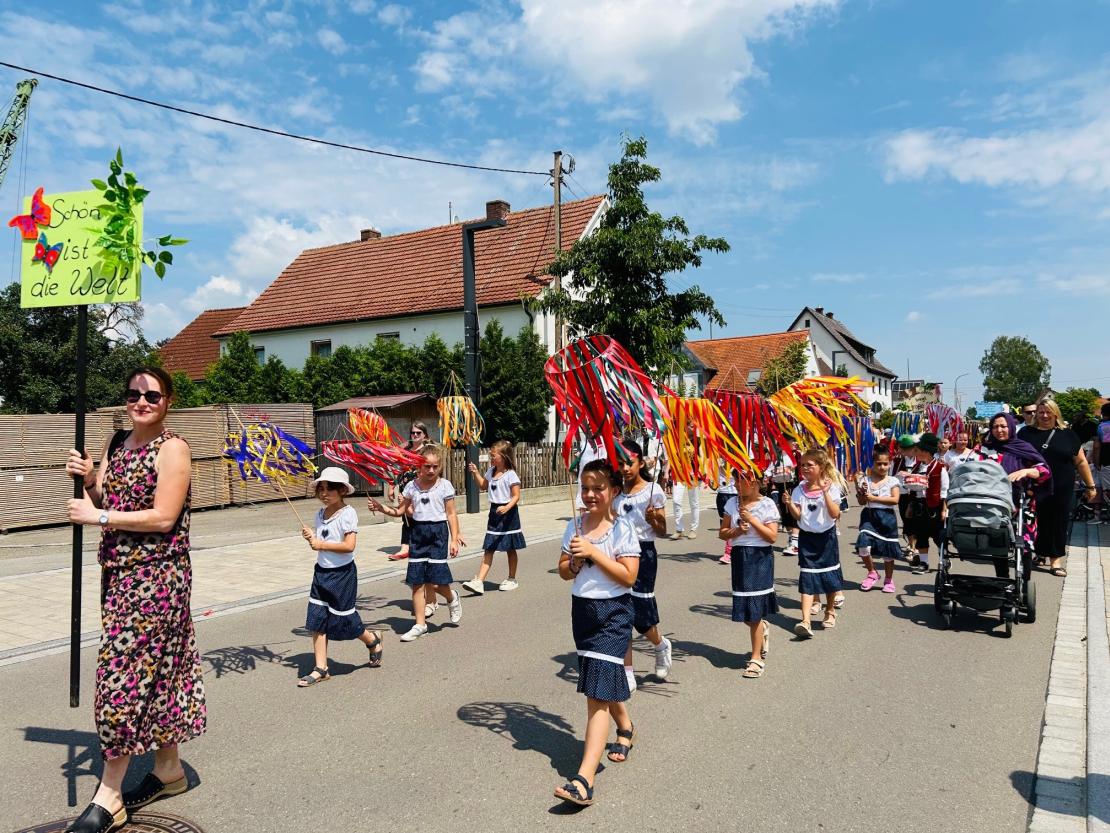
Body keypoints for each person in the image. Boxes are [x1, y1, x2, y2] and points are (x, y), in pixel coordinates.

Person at [63, 367, 206, 833]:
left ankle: (110, 795)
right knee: (160, 672)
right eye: (133, 394)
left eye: (152, 395)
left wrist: (98, 516)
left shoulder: (173, 448)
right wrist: (89, 481)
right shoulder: (116, 442)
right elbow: (107, 497)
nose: (141, 402)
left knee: (120, 678)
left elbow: (164, 517)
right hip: (120, 574)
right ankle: (169, 769)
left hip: (158, 577)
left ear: (168, 400)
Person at [553, 458, 640, 807]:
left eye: (598, 488)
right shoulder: (573, 526)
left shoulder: (623, 529)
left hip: (614, 614)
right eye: (585, 488)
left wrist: (594, 553)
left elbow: (629, 576)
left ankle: (585, 778)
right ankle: (626, 726)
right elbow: (563, 571)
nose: (590, 494)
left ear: (614, 490)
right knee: (599, 680)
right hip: (583, 614)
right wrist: (574, 562)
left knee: (596, 694)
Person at [297, 467, 384, 686]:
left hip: (342, 575)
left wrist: (319, 544)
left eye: (330, 489)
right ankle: (321, 668)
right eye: (321, 489)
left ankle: (372, 639)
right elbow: (321, 542)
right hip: (321, 573)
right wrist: (311, 537)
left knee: (344, 620)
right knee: (317, 619)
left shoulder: (348, 514)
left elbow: (348, 546)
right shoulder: (319, 514)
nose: (324, 493)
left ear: (342, 490)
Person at [368, 445, 464, 642]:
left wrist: (454, 539)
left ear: (440, 467)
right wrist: (381, 508)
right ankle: (420, 625)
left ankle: (452, 597)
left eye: (435, 467)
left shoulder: (445, 486)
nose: (431, 470)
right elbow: (399, 511)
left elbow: (451, 514)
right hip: (418, 534)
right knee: (417, 582)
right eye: (427, 466)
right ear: (419, 466)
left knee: (436, 581)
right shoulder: (411, 487)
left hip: (438, 534)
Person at [613, 440, 672, 684]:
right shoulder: (615, 491)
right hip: (618, 555)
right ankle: (627, 673)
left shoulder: (652, 491)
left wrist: (653, 519)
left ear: (640, 463)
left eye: (630, 463)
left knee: (641, 616)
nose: (625, 468)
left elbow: (662, 531)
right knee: (621, 613)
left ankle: (660, 645)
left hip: (643, 553)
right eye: (621, 464)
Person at [1022, 399, 1097, 577]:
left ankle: (1055, 559)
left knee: (1057, 521)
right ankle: (1040, 552)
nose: (1044, 415)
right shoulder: (1025, 433)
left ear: (1056, 414)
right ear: (1036, 414)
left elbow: (1081, 462)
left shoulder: (1068, 434)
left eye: (1048, 412)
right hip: (1034, 485)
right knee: (1036, 519)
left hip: (1061, 485)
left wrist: (1090, 486)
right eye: (1041, 412)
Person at [718, 472, 779, 678]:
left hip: (760, 558)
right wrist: (737, 531)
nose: (736, 485)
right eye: (735, 481)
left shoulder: (767, 504)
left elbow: (772, 537)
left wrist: (752, 520)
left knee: (754, 612)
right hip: (739, 558)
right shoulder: (732, 503)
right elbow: (722, 532)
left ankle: (756, 658)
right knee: (746, 611)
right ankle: (762, 628)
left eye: (741, 481)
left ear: (754, 483)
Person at [782, 448, 843, 638]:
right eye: (802, 465)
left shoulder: (832, 487)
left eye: (810, 465)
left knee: (829, 576)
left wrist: (825, 492)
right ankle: (805, 620)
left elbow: (835, 514)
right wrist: (789, 503)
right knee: (807, 577)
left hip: (827, 538)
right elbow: (798, 516)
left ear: (821, 467)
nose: (805, 468)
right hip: (807, 539)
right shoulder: (799, 489)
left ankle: (830, 611)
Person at [462, 440, 526, 594]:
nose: (491, 458)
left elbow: (516, 496)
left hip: (509, 514)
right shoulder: (491, 471)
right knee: (489, 547)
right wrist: (475, 472)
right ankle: (479, 581)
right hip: (494, 513)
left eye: (493, 455)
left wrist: (507, 507)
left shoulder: (511, 475)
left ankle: (511, 578)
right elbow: (483, 485)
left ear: (503, 457)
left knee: (510, 548)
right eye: (491, 455)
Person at [854, 447, 902, 593]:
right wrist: (860, 491)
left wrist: (874, 498)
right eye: (878, 463)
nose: (882, 467)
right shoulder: (866, 480)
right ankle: (872, 572)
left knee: (888, 551)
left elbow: (895, 500)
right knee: (863, 544)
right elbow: (862, 502)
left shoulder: (892, 480)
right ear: (872, 464)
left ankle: (888, 579)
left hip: (887, 518)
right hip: (869, 516)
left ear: (889, 464)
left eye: (885, 464)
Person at [905, 433, 949, 575]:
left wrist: (944, 509)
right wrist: (910, 506)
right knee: (921, 534)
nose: (915, 453)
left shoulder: (940, 468)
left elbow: (944, 490)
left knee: (938, 536)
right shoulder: (916, 467)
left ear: (926, 452)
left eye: (917, 450)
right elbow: (912, 489)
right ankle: (924, 563)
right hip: (919, 505)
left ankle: (944, 559)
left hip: (935, 505)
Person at [386, 421, 429, 561]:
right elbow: (397, 469)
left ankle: (421, 544)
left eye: (418, 433)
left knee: (420, 516)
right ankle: (405, 548)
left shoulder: (428, 451)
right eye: (413, 433)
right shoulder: (405, 451)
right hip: (405, 488)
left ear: (424, 435)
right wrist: (392, 486)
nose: (415, 435)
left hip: (422, 489)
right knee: (406, 518)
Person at [766, 450, 798, 555]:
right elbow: (769, 470)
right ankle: (792, 539)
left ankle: (795, 543)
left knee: (793, 513)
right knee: (785, 514)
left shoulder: (795, 454)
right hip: (780, 486)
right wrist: (766, 476)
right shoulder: (775, 456)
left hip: (792, 486)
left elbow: (799, 469)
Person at [715, 461, 738, 564]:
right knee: (724, 524)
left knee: (733, 523)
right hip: (722, 494)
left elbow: (729, 474)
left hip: (734, 494)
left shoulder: (738, 459)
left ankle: (729, 553)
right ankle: (730, 551)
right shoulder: (717, 459)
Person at [1095, 404, 1110, 524]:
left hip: (1107, 461)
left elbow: (1097, 446)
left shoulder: (1103, 426)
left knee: (1108, 490)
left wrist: (1096, 462)